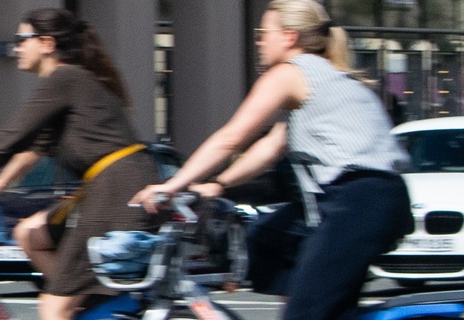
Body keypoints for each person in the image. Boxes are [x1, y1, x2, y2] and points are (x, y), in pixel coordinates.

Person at [128, 1, 413, 318]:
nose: (259, 40)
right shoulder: (328, 79)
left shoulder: (289, 74)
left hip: (357, 202)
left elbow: (231, 138)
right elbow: (269, 147)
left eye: (264, 33)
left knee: (306, 313)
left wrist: (170, 186)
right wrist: (217, 185)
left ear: (290, 37)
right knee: (262, 237)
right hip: (373, 199)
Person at [0, 8, 156, 319]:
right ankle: (90, 303)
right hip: (110, 184)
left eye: (20, 40)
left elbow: (12, 135)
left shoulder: (65, 77)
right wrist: (0, 183)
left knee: (52, 306)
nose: (16, 48)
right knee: (30, 234)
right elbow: (36, 145)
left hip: (118, 188)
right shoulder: (71, 83)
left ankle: (78, 300)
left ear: (46, 43)